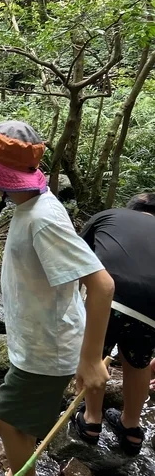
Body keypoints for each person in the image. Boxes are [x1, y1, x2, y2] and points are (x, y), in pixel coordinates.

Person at [0, 121, 114, 476]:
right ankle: (24, 468)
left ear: (2, 175)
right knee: (20, 422)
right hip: (38, 338)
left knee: (4, 418)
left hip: (48, 349)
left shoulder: (42, 219)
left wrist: (89, 360)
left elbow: (101, 284)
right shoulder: (29, 205)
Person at [74, 193, 155, 456]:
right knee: (138, 361)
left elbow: (76, 259)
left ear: (131, 207)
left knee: (94, 354)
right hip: (151, 308)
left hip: (108, 296)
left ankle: (92, 420)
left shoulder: (108, 216)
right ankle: (131, 429)